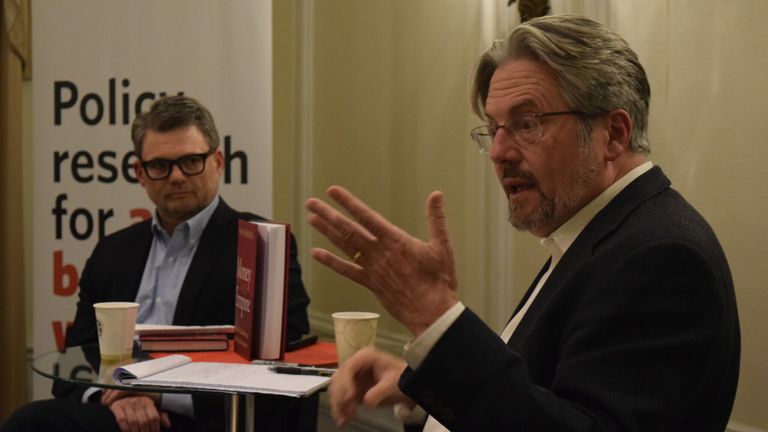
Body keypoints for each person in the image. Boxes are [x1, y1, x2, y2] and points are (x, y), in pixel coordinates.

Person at [304, 15, 740, 432]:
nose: (498, 152)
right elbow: (543, 407)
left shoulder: (660, 257)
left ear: (614, 134)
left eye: (526, 123)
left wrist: (436, 322)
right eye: (493, 128)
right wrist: (423, 390)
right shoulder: (599, 235)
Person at [3, 95, 313, 432]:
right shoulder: (112, 251)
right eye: (160, 166)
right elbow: (76, 358)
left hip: (208, 417)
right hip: (115, 412)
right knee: (30, 422)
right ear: (141, 172)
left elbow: (287, 365)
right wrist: (116, 396)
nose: (177, 176)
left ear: (218, 162)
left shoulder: (258, 245)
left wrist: (160, 396)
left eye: (191, 160)